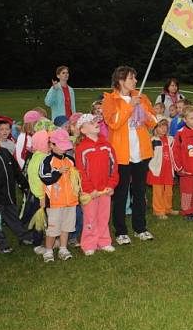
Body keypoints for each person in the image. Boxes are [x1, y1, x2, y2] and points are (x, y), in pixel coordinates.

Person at [102, 66, 157, 242]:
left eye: (135, 78)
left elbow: (154, 121)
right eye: (132, 78)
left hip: (141, 153)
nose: (135, 81)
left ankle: (140, 228)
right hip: (121, 154)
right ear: (121, 80)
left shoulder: (141, 97)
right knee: (121, 193)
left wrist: (143, 110)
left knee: (139, 191)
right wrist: (128, 107)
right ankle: (120, 231)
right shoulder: (110, 99)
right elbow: (113, 123)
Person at [75, 114, 118, 256]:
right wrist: (89, 190)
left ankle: (104, 241)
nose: (96, 123)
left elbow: (114, 166)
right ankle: (89, 244)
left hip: (105, 190)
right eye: (91, 122)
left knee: (103, 216)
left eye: (96, 121)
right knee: (90, 218)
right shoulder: (82, 148)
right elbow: (80, 171)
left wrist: (111, 185)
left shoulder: (106, 145)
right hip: (90, 192)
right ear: (83, 130)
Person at [38, 129, 79, 262]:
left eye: (65, 146)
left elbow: (76, 178)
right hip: (54, 202)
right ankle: (49, 250)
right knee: (53, 228)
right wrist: (58, 172)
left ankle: (63, 248)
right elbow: (45, 178)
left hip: (70, 201)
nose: (64, 149)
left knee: (66, 226)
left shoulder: (70, 160)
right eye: (60, 146)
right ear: (52, 145)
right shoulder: (47, 161)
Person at [146, 117, 176, 219]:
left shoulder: (171, 139)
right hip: (157, 170)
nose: (163, 128)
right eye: (160, 126)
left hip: (168, 169)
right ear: (154, 128)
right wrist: (150, 167)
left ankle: (168, 208)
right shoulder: (152, 140)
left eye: (165, 126)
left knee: (168, 191)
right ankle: (158, 210)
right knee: (158, 191)